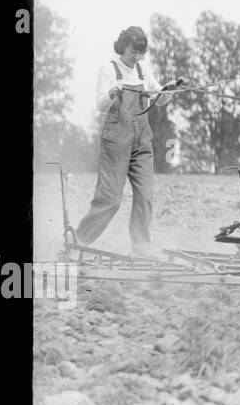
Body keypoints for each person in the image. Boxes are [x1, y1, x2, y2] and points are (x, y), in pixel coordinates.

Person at [75, 26, 182, 255]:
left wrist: (169, 90)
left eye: (142, 52)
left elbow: (158, 99)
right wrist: (113, 93)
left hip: (142, 143)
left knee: (145, 197)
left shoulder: (144, 68)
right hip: (117, 142)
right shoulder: (108, 69)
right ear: (123, 47)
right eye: (134, 51)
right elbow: (100, 105)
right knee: (110, 200)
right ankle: (79, 240)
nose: (138, 57)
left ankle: (141, 247)